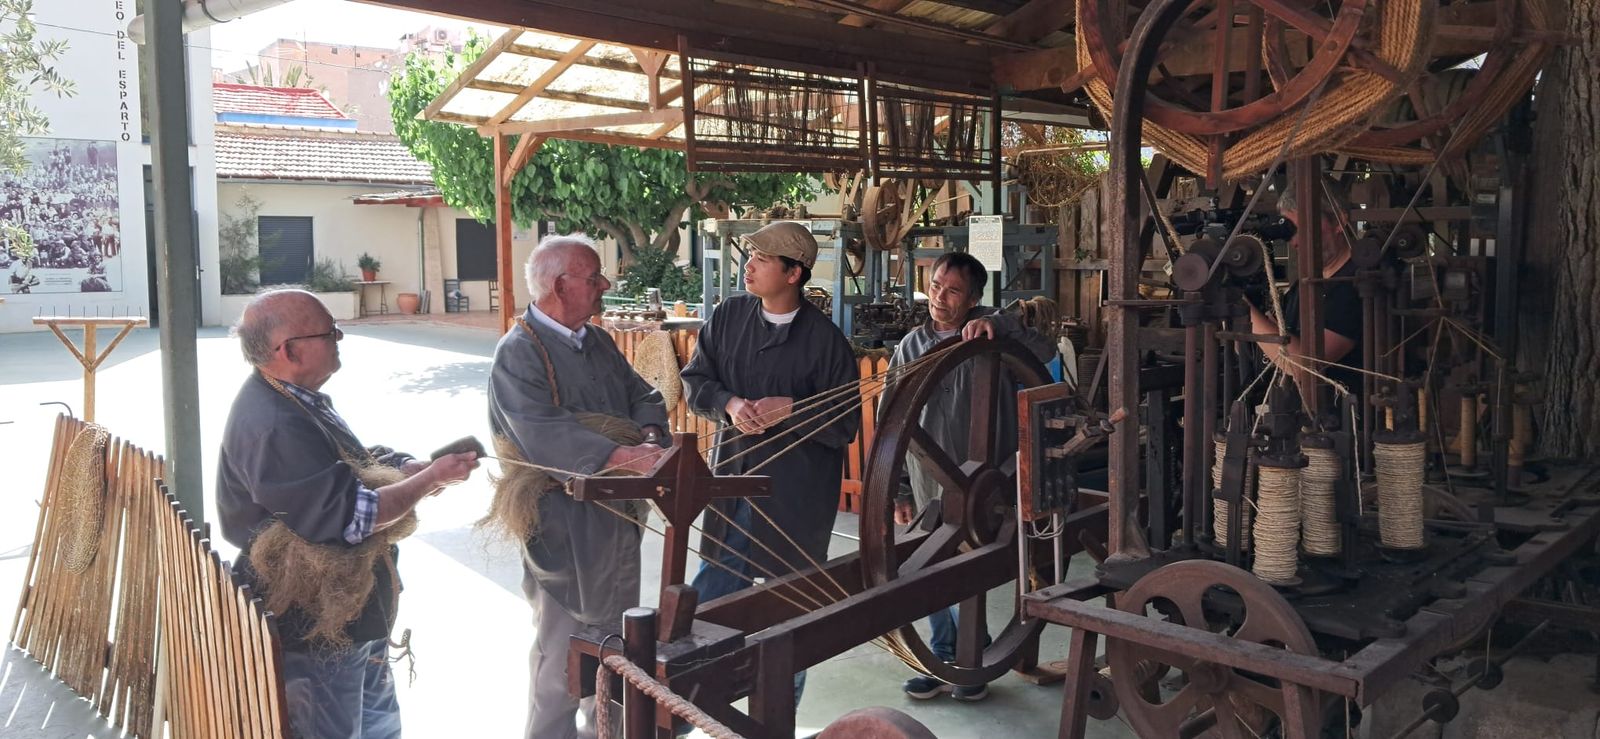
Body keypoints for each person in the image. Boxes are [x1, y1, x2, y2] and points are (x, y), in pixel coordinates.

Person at [217, 288, 479, 739]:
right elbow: (352, 519)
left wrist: (403, 467)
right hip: (316, 618)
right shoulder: (274, 422)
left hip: (352, 612)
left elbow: (346, 462)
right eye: (329, 332)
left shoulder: (293, 395)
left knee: (377, 725)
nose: (340, 338)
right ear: (290, 350)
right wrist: (429, 479)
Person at [488, 234, 669, 739]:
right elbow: (539, 430)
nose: (605, 284)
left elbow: (645, 395)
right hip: (561, 523)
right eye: (594, 277)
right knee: (561, 657)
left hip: (617, 517)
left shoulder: (598, 341)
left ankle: (604, 731)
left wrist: (650, 437)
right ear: (559, 284)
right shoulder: (519, 351)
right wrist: (618, 455)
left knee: (615, 642)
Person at [886, 251, 1057, 702]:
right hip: (928, 484)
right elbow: (892, 423)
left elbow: (1046, 352)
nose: (940, 297)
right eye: (937, 285)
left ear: (975, 298)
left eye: (954, 290)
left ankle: (968, 661)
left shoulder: (990, 335)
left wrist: (1000, 325)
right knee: (926, 570)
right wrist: (898, 488)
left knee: (971, 568)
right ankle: (947, 657)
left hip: (985, 484)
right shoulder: (909, 347)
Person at [681, 221, 860, 626]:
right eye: (750, 256)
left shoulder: (826, 343)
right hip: (731, 475)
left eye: (762, 259)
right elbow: (695, 381)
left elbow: (845, 423)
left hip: (793, 494)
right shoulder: (728, 317)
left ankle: (704, 669)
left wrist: (793, 410)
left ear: (794, 273)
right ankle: (698, 674)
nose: (749, 265)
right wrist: (730, 404)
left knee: (790, 608)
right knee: (721, 581)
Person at [1247, 182, 1364, 392]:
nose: (1294, 241)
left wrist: (1244, 311)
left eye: (1299, 228)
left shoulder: (1356, 283)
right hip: (1293, 413)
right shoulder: (1307, 284)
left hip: (1345, 418)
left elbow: (1304, 365)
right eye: (1288, 231)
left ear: (1339, 221)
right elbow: (1263, 345)